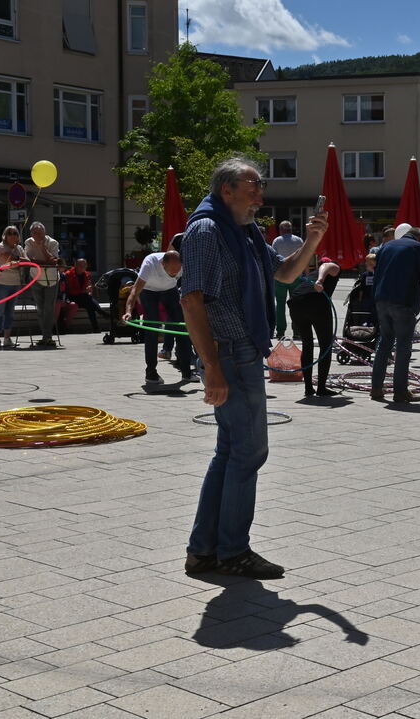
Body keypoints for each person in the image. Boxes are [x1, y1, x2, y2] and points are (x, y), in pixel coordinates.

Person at [180, 156, 328, 579]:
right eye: (253, 187)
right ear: (226, 190)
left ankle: (204, 550)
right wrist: (211, 367)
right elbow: (191, 300)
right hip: (230, 352)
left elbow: (282, 273)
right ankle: (233, 551)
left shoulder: (242, 233)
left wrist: (312, 241)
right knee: (249, 452)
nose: (260, 197)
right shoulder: (208, 231)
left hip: (243, 350)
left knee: (230, 452)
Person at [368, 225, 420, 403]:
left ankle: (376, 388)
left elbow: (377, 270)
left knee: (384, 343)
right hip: (403, 301)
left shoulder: (387, 246)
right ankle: (400, 391)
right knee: (403, 347)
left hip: (382, 300)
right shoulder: (419, 248)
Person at [122, 249, 192, 384]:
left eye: (177, 271)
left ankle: (186, 372)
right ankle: (151, 373)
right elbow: (135, 291)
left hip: (170, 291)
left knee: (182, 329)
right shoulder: (150, 264)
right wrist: (128, 311)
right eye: (171, 271)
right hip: (149, 292)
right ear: (162, 264)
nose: (174, 274)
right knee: (152, 330)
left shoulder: (184, 266)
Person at [287, 260, 340, 399]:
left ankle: (308, 388)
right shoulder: (331, 267)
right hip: (316, 303)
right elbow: (327, 266)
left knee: (307, 345)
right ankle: (321, 388)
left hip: (296, 303)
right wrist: (321, 280)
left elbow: (322, 266)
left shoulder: (311, 275)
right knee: (325, 345)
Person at [23, 222, 61, 346]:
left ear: (44, 232)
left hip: (51, 279)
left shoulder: (53, 243)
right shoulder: (29, 242)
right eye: (34, 233)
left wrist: (43, 248)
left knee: (48, 308)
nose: (37, 235)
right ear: (31, 233)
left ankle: (47, 336)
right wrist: (42, 262)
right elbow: (28, 261)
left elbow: (53, 262)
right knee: (40, 309)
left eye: (39, 232)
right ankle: (45, 335)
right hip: (36, 278)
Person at [0, 226, 25, 348]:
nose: (13, 235)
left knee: (10, 312)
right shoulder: (0, 247)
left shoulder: (19, 248)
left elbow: (27, 261)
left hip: (15, 283)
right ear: (5, 235)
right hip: (1, 282)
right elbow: (8, 261)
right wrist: (17, 260)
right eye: (9, 233)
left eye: (15, 233)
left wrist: (16, 259)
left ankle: (7, 338)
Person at [271, 221, 305, 338]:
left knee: (280, 304)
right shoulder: (299, 240)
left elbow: (273, 258)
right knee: (296, 305)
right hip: (296, 276)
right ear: (291, 229)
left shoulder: (277, 241)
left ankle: (280, 331)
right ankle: (297, 331)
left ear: (281, 230)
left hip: (280, 277)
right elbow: (304, 257)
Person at [61, 259, 109, 333]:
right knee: (89, 302)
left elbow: (89, 288)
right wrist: (83, 291)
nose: (82, 267)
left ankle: (96, 327)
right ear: (75, 266)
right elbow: (69, 290)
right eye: (80, 266)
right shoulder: (69, 274)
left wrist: (89, 290)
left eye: (84, 266)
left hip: (84, 298)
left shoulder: (87, 274)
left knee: (90, 305)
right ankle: (102, 315)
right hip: (72, 297)